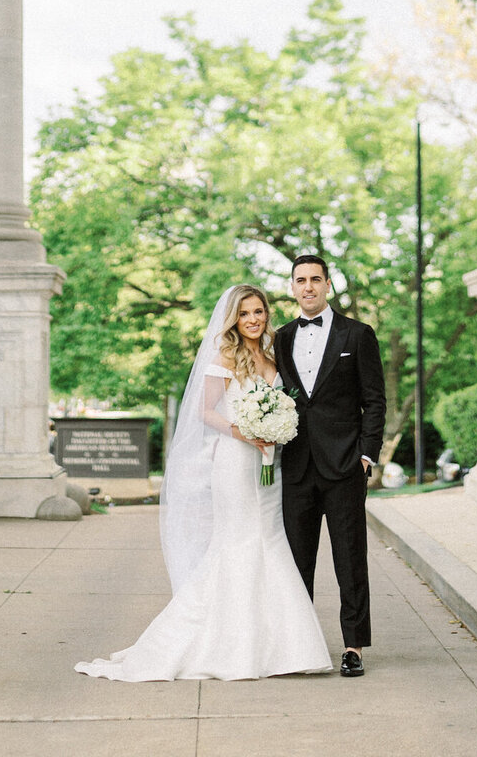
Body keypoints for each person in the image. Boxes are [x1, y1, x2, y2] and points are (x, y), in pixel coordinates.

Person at [74, 284, 331, 681]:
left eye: (258, 311)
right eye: (245, 313)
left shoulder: (273, 355)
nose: (253, 319)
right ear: (234, 318)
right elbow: (206, 412)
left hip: (270, 465)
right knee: (239, 543)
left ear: (266, 314)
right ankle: (230, 647)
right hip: (234, 460)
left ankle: (280, 649)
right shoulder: (224, 357)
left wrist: (275, 430)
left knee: (271, 540)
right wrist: (244, 430)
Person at [273, 255, 386, 678]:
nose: (308, 287)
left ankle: (353, 646)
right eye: (300, 281)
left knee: (349, 559)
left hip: (344, 466)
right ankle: (299, 645)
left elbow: (374, 399)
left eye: (315, 280)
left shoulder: (357, 334)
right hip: (296, 466)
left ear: (327, 284)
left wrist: (366, 452)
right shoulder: (281, 337)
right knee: (297, 561)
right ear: (292, 287)